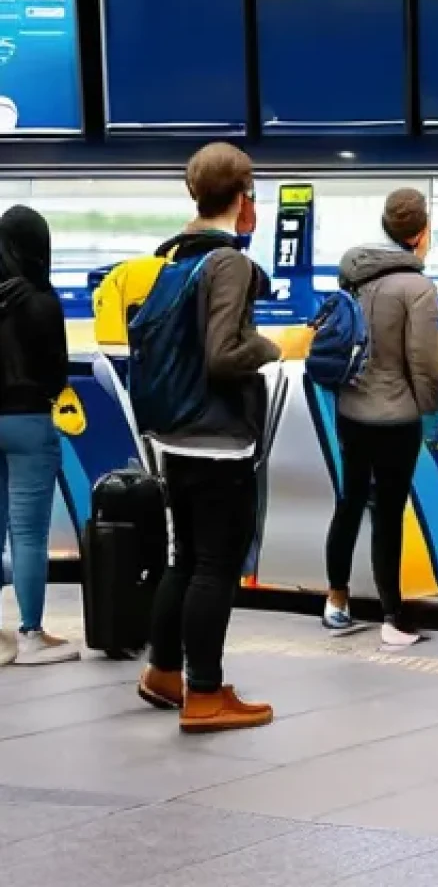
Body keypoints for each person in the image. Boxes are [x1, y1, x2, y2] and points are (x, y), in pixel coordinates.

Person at [137, 143, 283, 733]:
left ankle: (163, 672)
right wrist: (274, 346)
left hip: (176, 432)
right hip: (218, 438)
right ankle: (204, 692)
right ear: (244, 197)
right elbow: (224, 355)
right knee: (215, 566)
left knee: (186, 559)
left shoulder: (175, 258)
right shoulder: (229, 263)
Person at [322, 187, 438, 648]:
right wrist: (432, 410)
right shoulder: (418, 288)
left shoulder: (353, 274)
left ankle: (336, 601)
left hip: (350, 409)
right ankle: (392, 617)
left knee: (350, 499)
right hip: (396, 416)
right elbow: (424, 362)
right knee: (389, 512)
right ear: (421, 232)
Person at [0, 206, 77, 666]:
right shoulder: (42, 301)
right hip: (29, 422)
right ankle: (30, 634)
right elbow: (56, 376)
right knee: (28, 534)